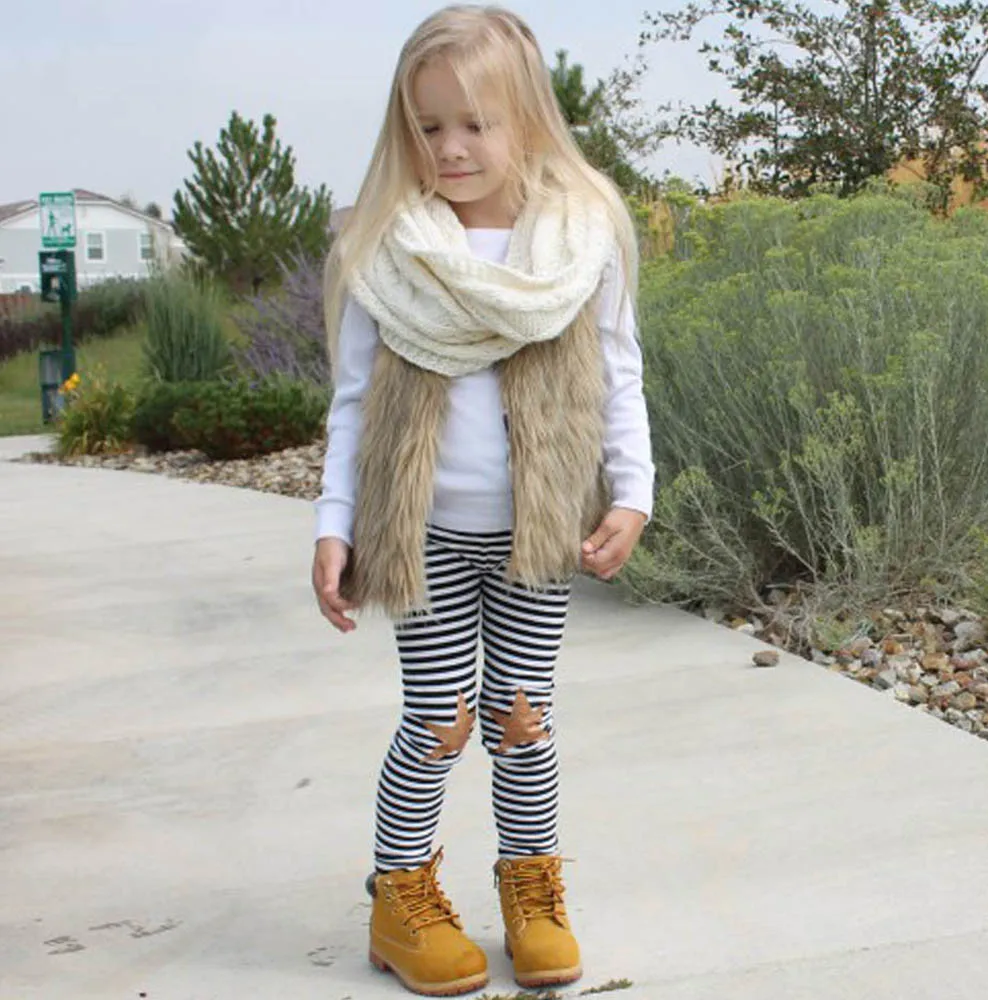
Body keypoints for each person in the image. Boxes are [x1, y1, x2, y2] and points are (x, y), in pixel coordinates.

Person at [312, 5, 655, 995]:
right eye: (428, 127)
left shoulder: (578, 241)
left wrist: (632, 492)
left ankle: (531, 891)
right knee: (436, 721)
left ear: (528, 120)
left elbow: (619, 373)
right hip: (419, 533)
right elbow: (352, 399)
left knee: (523, 717)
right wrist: (334, 522)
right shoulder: (389, 248)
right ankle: (400, 897)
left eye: (475, 123)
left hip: (537, 533)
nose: (450, 148)